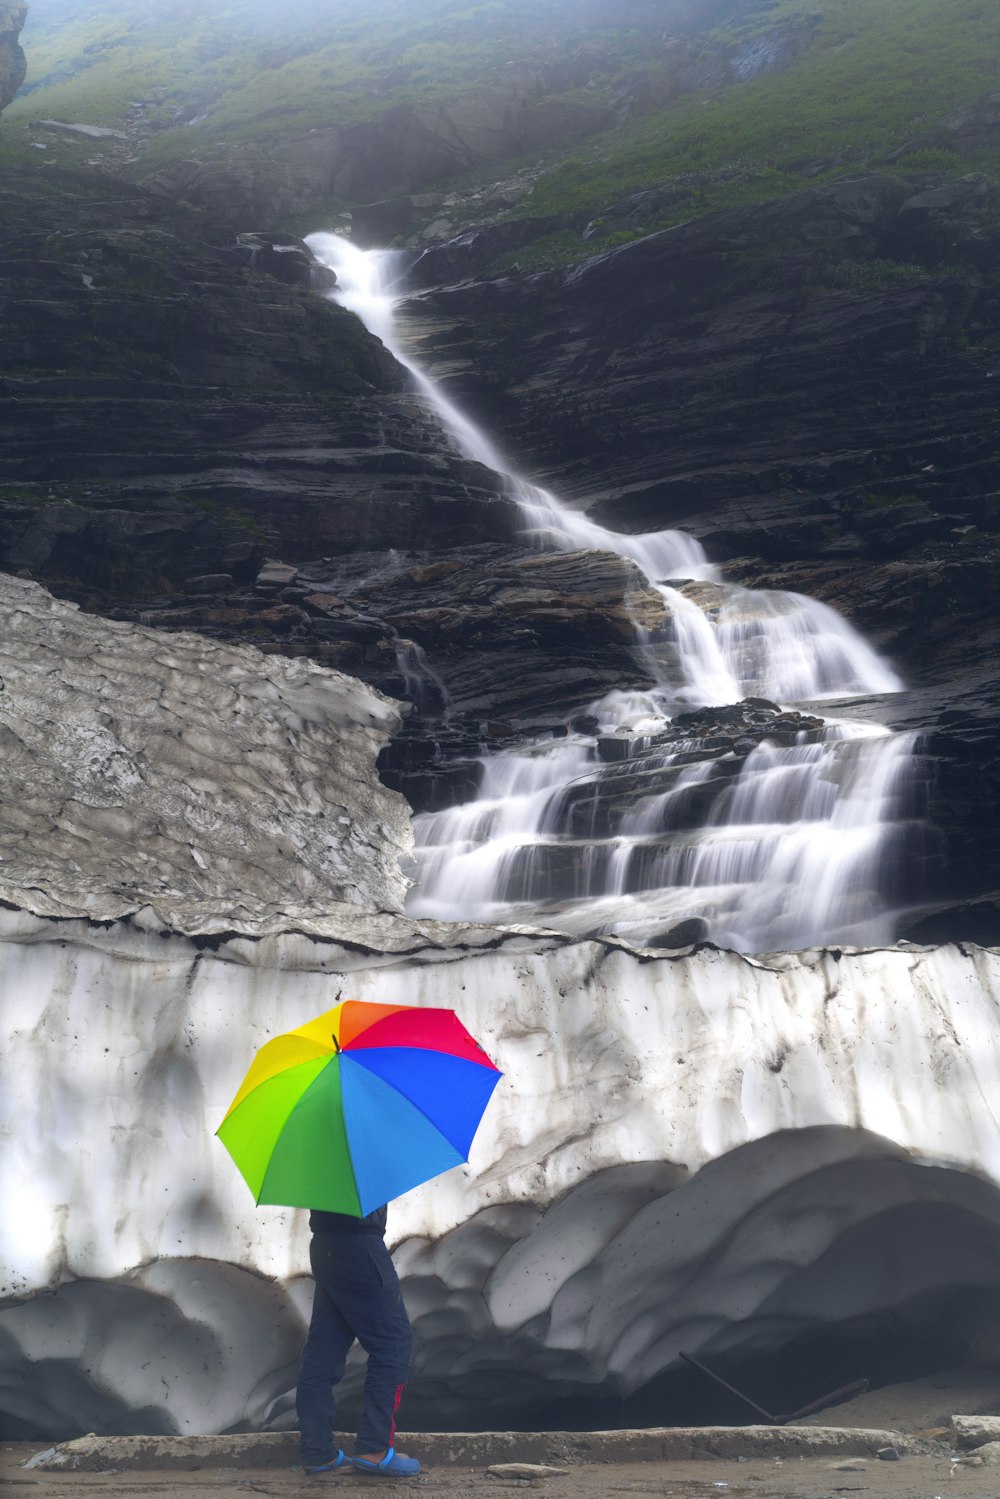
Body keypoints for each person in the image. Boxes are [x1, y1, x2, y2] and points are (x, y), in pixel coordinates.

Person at [296, 1203, 421, 1476]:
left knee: (323, 1349)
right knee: (393, 1345)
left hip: (325, 1242)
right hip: (358, 1242)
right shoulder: (357, 1159)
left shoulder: (318, 1159)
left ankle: (317, 1452)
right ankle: (375, 1448)